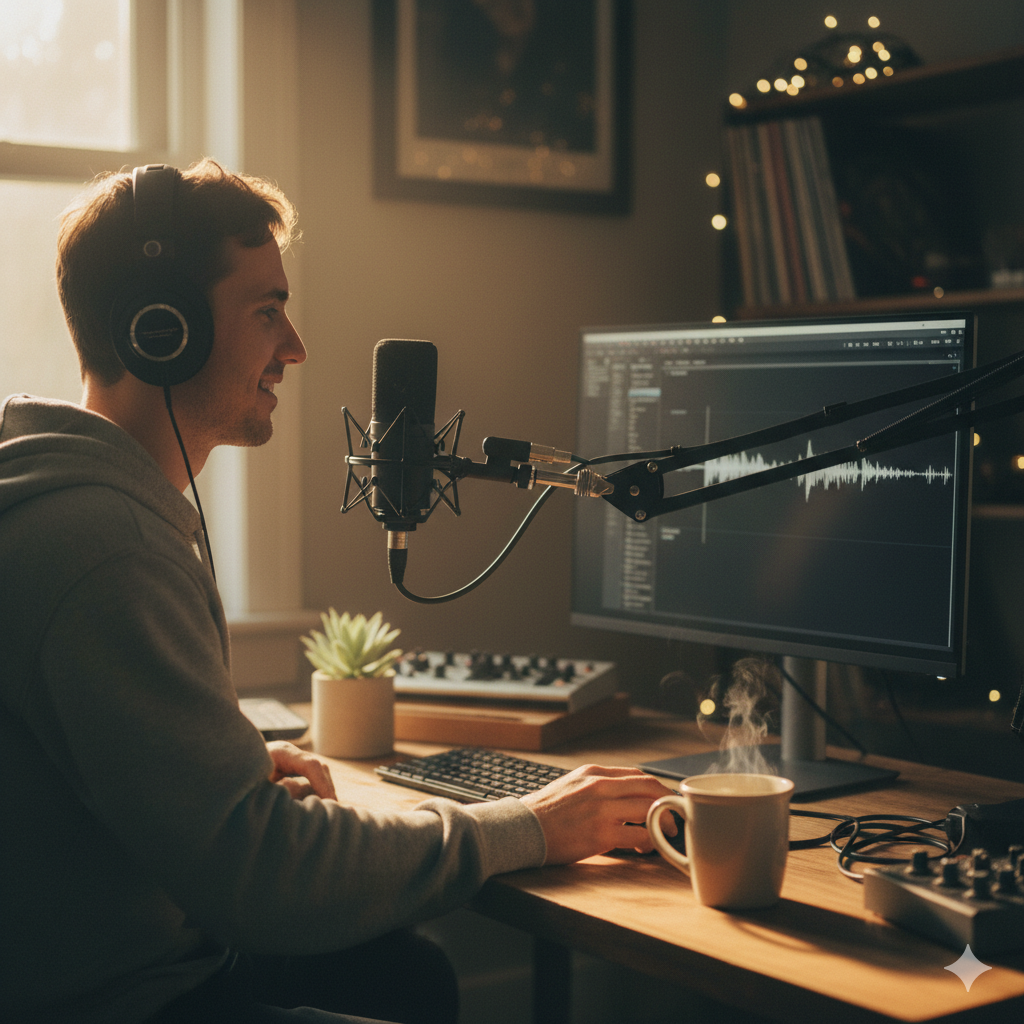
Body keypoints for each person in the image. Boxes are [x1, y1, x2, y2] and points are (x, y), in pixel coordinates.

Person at [0, 159, 673, 1024]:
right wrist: (536, 826)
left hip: (115, 958)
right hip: (116, 1000)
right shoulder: (105, 549)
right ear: (161, 330)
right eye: (267, 311)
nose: (296, 347)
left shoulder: (79, 507)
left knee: (407, 976)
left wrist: (222, 778)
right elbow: (264, 881)